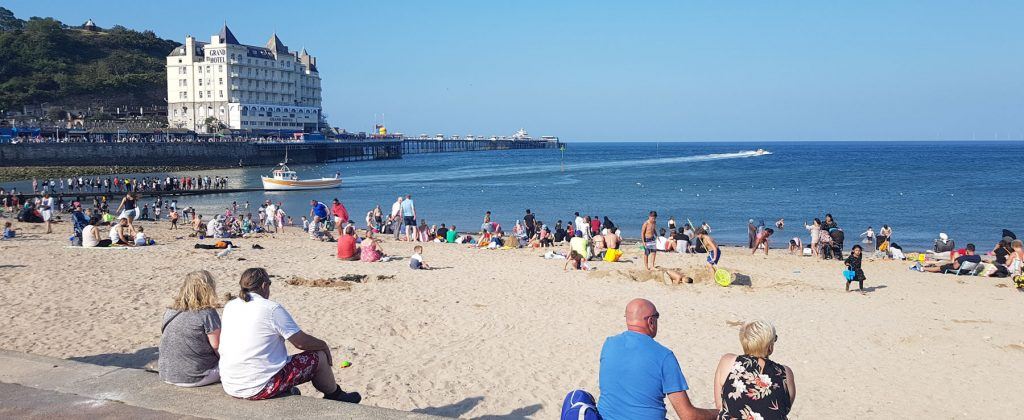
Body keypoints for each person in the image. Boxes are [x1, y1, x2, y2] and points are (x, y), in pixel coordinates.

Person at [218, 268, 361, 402]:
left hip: (231, 383)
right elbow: (300, 343)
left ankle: (289, 389)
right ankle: (335, 396)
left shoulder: (231, 305)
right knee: (319, 357)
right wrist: (323, 345)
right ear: (264, 286)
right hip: (257, 387)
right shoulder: (271, 309)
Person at [598, 299, 715, 420]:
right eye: (656, 316)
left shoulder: (609, 344)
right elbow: (688, 416)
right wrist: (718, 413)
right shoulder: (664, 356)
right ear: (651, 321)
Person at [713, 320, 795, 420]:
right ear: (770, 347)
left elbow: (720, 406)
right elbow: (784, 408)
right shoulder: (785, 373)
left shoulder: (728, 362)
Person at [159, 270, 222, 387]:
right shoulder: (207, 313)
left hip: (166, 373)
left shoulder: (170, 311)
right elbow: (218, 347)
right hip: (194, 376)